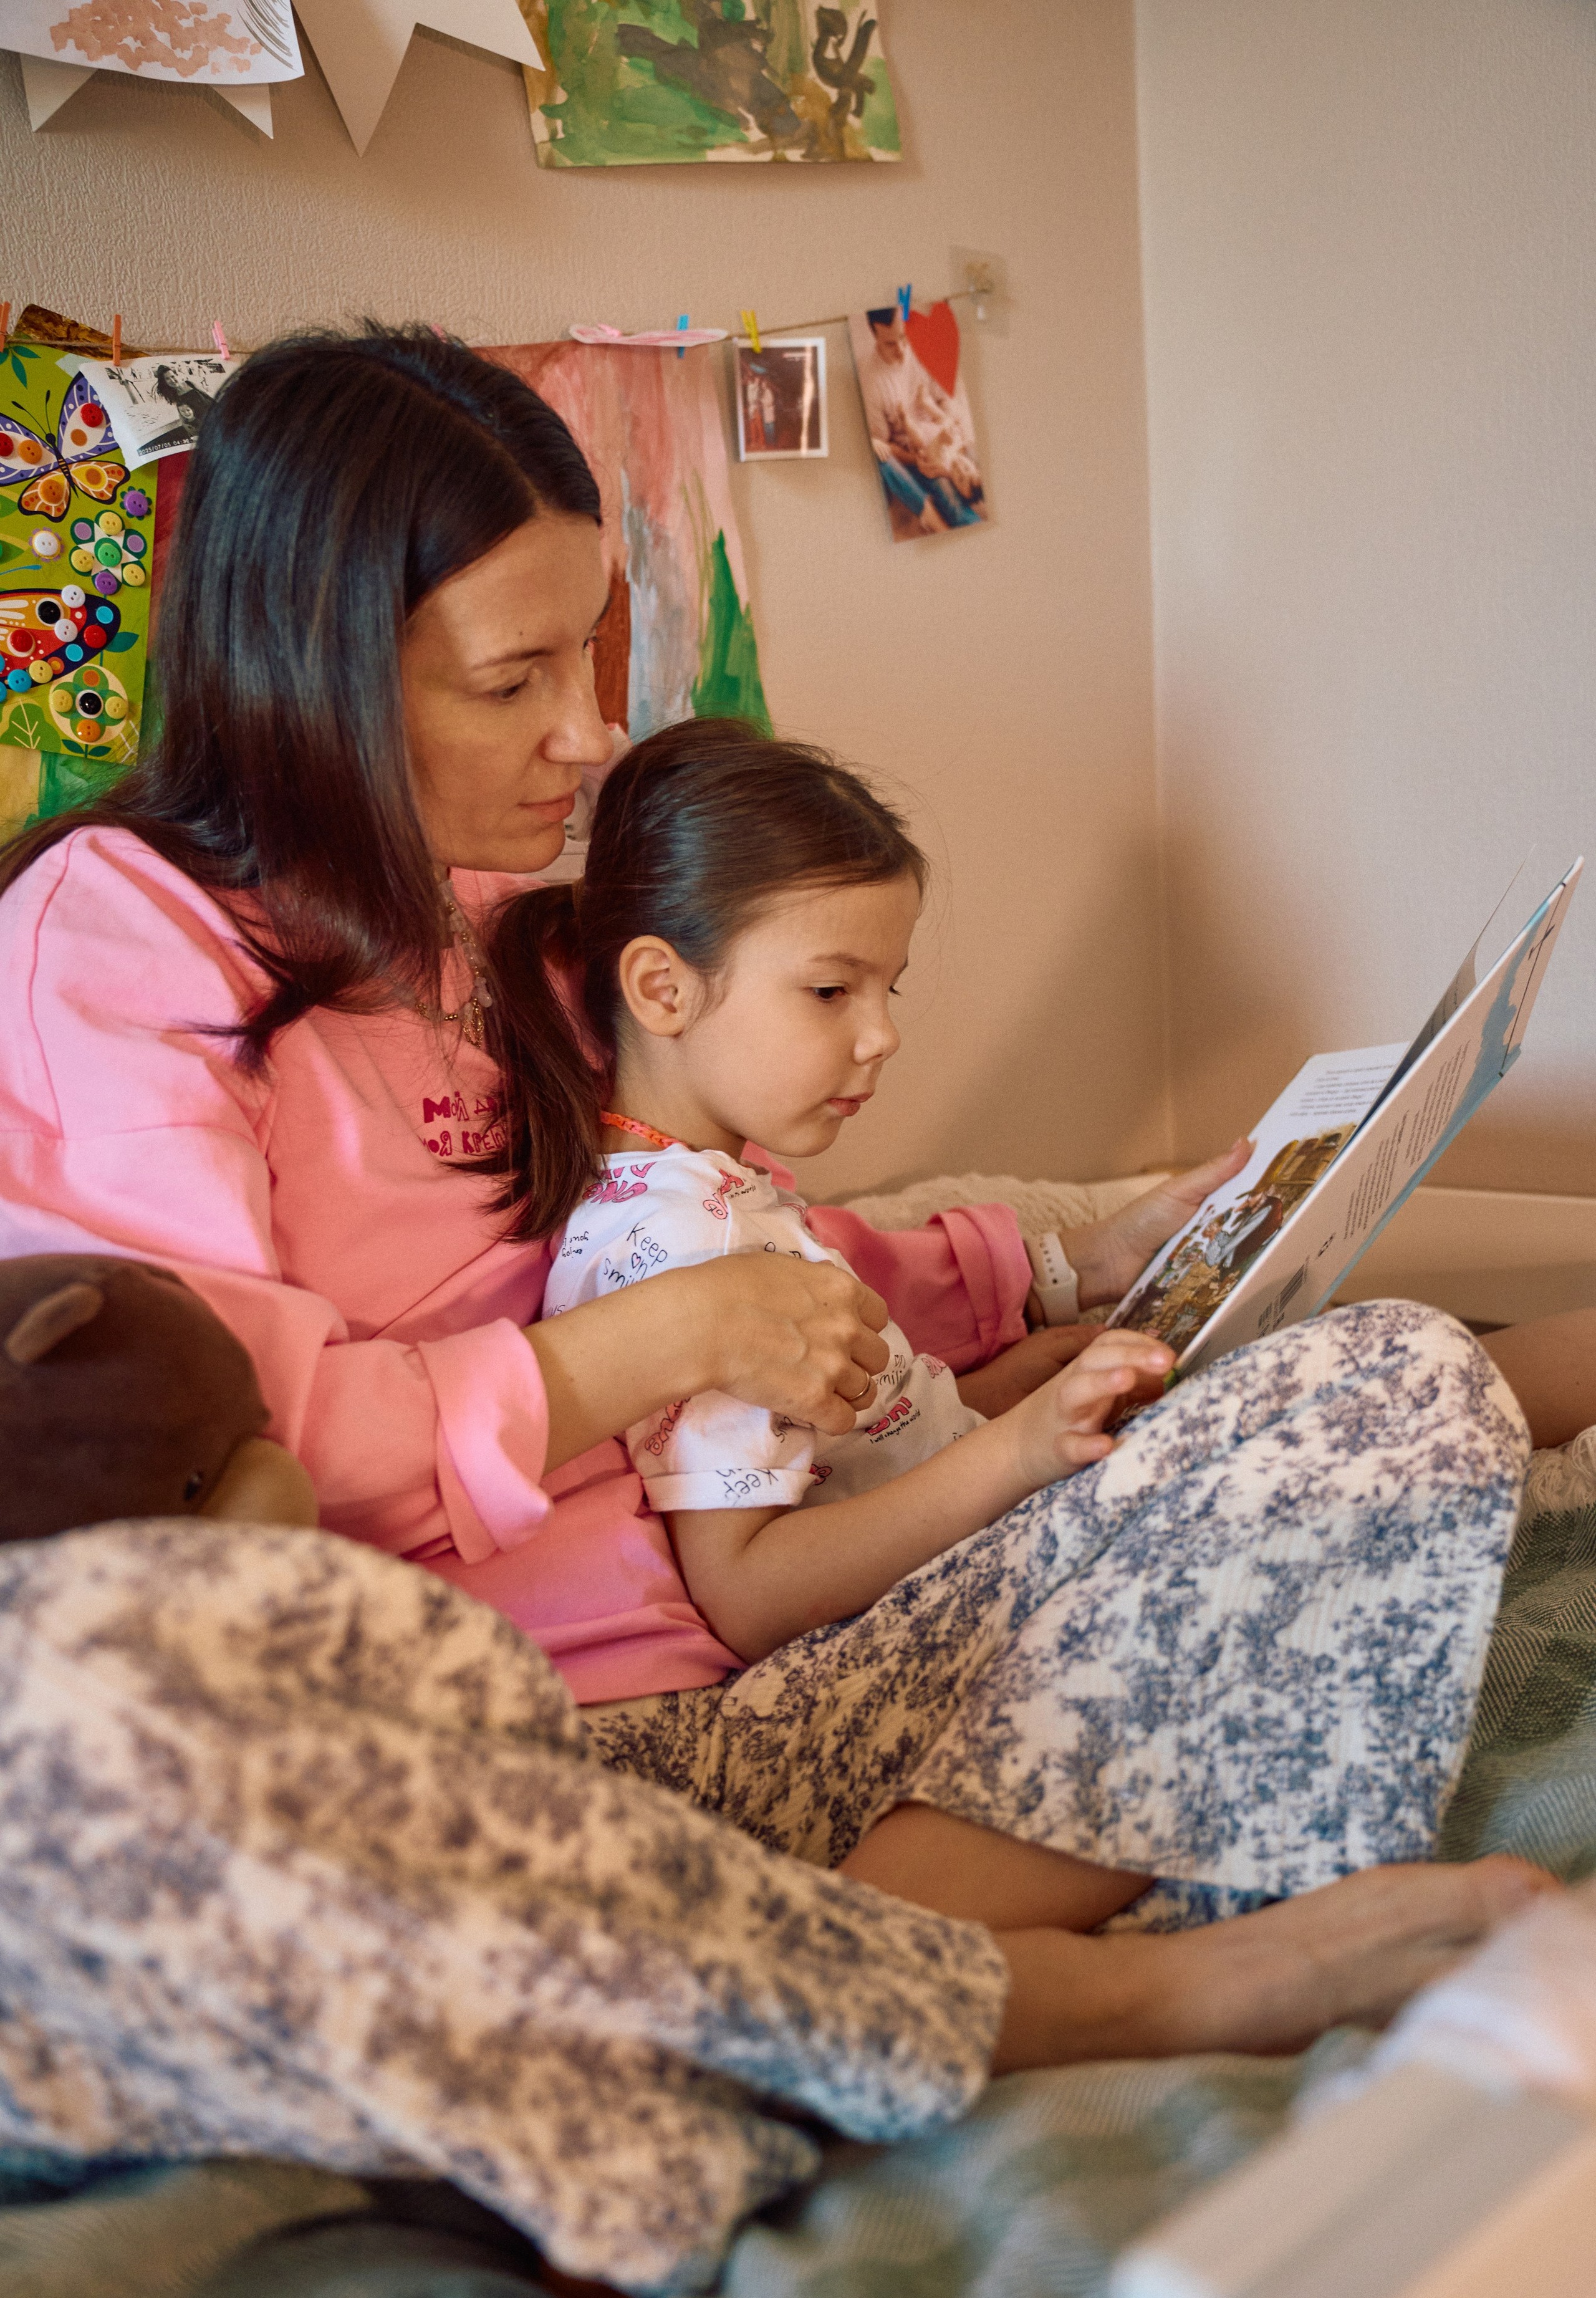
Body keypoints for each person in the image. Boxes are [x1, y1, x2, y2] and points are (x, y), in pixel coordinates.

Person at [0, 325, 1564, 2092]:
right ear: (312, 669)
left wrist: (1060, 1253)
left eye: (588, 653)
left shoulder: (475, 927)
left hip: (760, 1684)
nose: (588, 738)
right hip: (525, 1746)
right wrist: (649, 1348)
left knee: (1378, 1386)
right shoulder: (119, 948)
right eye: (513, 680)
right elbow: (213, 1446)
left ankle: (861, 1967)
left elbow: (715, 1221)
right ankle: (983, 1989)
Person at [533, 716, 1173, 1665]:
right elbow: (747, 1592)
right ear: (663, 991)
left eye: (889, 992)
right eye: (833, 993)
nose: (882, 1037)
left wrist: (985, 1403)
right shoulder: (676, 1239)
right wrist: (1017, 1451)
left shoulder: (711, 1191)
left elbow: (828, 1458)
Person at [853, 307, 984, 532]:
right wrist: (923, 460)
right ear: (874, 335)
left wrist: (952, 429)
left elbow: (945, 400)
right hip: (916, 453)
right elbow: (884, 445)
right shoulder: (871, 380)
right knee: (951, 501)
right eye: (890, 344)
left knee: (977, 467)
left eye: (903, 337)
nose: (902, 351)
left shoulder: (922, 348)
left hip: (942, 434)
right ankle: (937, 518)